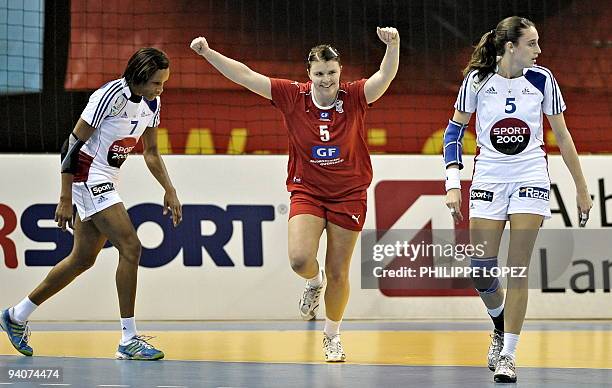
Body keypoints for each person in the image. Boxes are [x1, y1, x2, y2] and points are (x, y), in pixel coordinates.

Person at [190, 27, 399, 362]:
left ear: (340, 71)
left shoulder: (355, 96)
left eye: (331, 72)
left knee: (339, 272)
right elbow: (246, 76)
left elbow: (384, 76)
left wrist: (394, 45)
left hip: (349, 192)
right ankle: (312, 283)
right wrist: (207, 53)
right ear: (309, 73)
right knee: (300, 259)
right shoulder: (292, 96)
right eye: (319, 73)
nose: (326, 79)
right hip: (308, 189)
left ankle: (332, 335)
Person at [0, 47, 182, 360]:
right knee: (131, 247)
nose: (160, 88)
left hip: (109, 176)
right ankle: (129, 339)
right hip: (88, 175)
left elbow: (150, 152)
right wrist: (65, 196)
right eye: (156, 83)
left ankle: (15, 315)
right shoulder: (108, 96)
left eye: (163, 82)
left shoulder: (153, 103)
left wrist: (169, 189)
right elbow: (71, 144)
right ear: (139, 77)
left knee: (82, 259)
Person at [443, 16, 592, 382]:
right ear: (511, 47)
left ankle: (508, 354)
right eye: (532, 44)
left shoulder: (543, 80)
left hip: (530, 176)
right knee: (481, 271)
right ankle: (499, 324)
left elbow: (563, 135)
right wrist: (452, 182)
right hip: (489, 178)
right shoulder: (477, 81)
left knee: (518, 267)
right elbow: (453, 130)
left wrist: (582, 187)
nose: (539, 51)